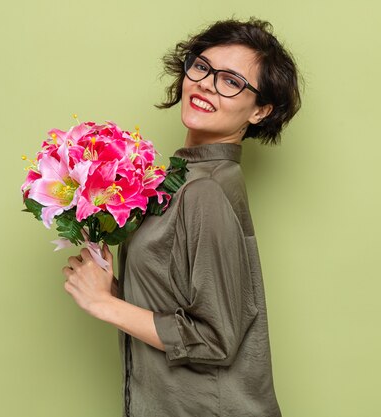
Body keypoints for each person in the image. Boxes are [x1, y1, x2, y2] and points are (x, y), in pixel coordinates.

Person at [62, 17, 302, 417]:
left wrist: (104, 304)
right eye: (203, 67)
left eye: (231, 82)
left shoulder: (205, 190)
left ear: (260, 110)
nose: (206, 83)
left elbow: (214, 338)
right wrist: (117, 290)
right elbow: (180, 305)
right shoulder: (181, 179)